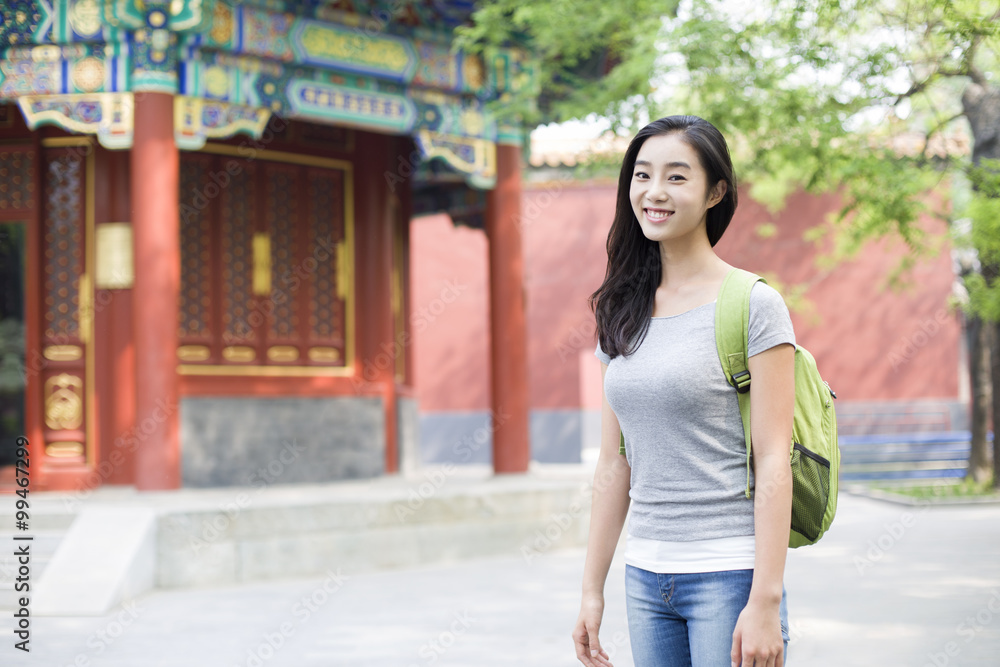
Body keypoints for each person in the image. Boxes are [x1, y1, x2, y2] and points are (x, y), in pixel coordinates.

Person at [571, 115, 795, 667]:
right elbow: (613, 463)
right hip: (646, 577)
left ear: (715, 191)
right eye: (642, 175)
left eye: (676, 177)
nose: (654, 192)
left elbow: (774, 459)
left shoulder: (753, 305)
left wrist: (765, 599)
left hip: (728, 573)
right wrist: (591, 588)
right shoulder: (621, 310)